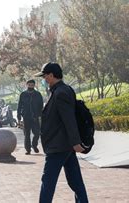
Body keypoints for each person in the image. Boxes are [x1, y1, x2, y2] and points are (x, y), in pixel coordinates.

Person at [35, 62, 88, 203]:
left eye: (45, 76)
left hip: (58, 145)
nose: (44, 79)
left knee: (48, 181)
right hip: (64, 145)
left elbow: (69, 119)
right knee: (75, 182)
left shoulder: (61, 93)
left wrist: (76, 142)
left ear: (51, 75)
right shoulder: (60, 90)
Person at [17, 79, 44, 155]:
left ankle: (34, 145)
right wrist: (19, 116)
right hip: (26, 117)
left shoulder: (38, 94)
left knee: (37, 133)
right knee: (27, 134)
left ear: (34, 85)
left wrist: (40, 115)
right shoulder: (23, 94)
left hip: (35, 117)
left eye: (32, 85)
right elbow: (19, 106)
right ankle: (28, 149)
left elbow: (41, 106)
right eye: (29, 85)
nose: (30, 86)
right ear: (27, 85)